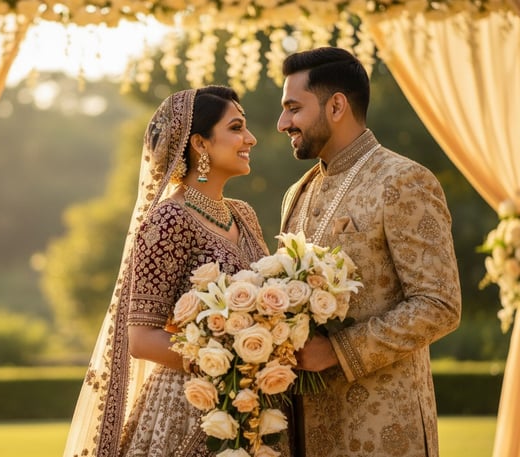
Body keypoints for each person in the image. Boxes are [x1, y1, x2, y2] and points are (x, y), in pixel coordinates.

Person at [63, 86, 281, 456]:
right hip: (186, 407)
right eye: (236, 128)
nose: (250, 138)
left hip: (251, 402)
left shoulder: (243, 214)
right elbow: (142, 339)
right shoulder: (168, 219)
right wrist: (231, 361)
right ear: (200, 143)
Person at [276, 46, 462, 456]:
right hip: (304, 426)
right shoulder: (298, 193)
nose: (282, 123)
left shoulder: (404, 180)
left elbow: (439, 304)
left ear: (337, 105)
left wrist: (338, 351)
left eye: (293, 108)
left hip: (382, 427)